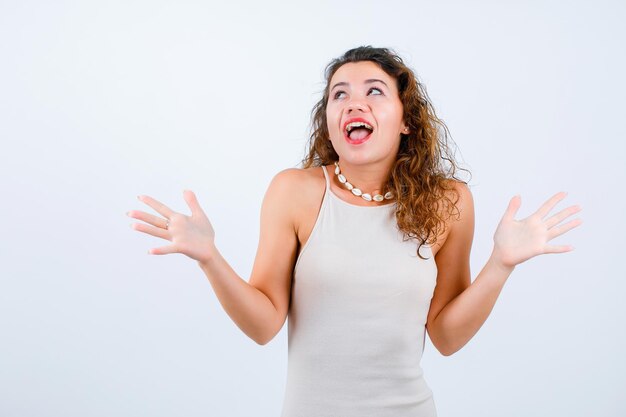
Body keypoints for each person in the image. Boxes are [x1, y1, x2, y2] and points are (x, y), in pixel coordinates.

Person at [127, 46, 582, 417]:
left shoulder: (449, 202)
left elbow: (446, 336)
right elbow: (264, 324)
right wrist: (209, 258)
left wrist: (500, 265)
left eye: (374, 91)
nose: (353, 103)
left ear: (406, 121)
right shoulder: (295, 191)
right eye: (338, 94)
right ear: (329, 117)